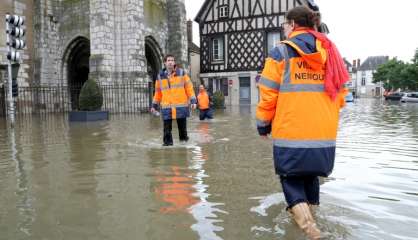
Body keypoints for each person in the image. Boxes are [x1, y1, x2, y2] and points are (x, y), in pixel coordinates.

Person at [256, 6, 349, 239]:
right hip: (323, 137)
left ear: (293, 25)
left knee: (291, 180)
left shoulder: (281, 53)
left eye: (284, 25)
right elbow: (341, 95)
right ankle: (312, 221)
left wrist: (263, 124)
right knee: (311, 177)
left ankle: (312, 232)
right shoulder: (331, 52)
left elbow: (268, 94)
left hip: (292, 133)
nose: (283, 30)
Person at [151, 54, 197, 146]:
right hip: (167, 108)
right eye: (168, 60)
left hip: (181, 107)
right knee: (166, 132)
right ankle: (168, 150)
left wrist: (193, 101)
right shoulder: (160, 76)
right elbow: (157, 93)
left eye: (172, 60)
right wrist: (154, 106)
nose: (170, 62)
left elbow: (189, 88)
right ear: (165, 63)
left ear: (174, 62)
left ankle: (183, 150)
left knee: (183, 132)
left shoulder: (181, 73)